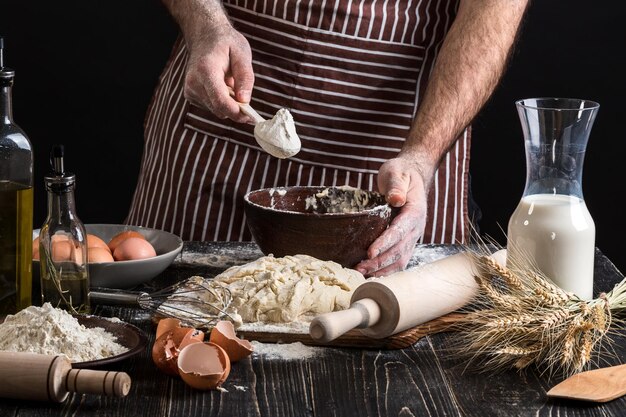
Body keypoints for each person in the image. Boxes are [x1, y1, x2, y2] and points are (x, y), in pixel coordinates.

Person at [127, 0, 529, 277]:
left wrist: (420, 156)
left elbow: (491, 17)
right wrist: (205, 25)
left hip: (397, 149)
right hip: (218, 124)